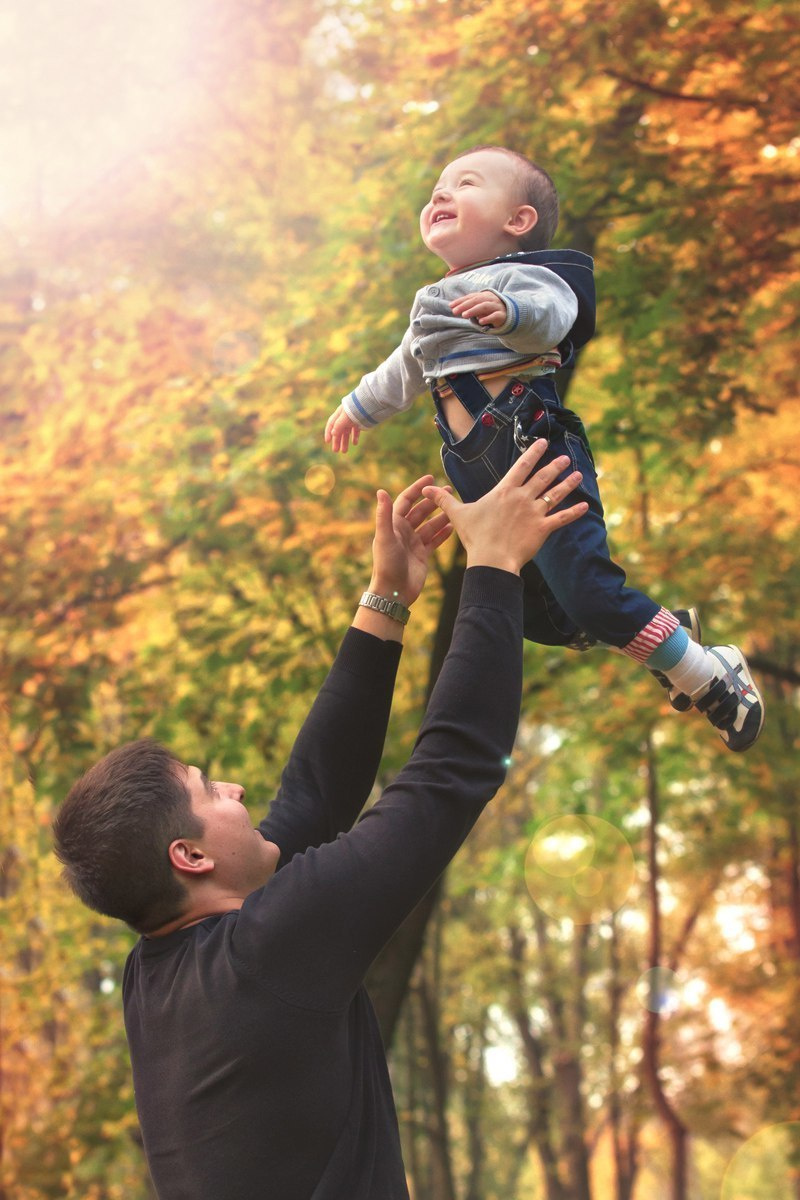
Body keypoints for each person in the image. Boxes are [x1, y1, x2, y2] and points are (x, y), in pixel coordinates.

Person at [53, 441, 587, 1200]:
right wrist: (493, 565)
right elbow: (449, 776)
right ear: (190, 858)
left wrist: (388, 598)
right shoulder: (268, 950)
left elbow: (309, 804)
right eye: (211, 792)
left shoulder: (160, 974)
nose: (236, 790)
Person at [324, 144, 764, 753]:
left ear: (518, 221)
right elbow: (402, 368)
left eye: (465, 183)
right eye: (437, 189)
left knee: (585, 591)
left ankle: (710, 674)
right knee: (536, 611)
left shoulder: (522, 276)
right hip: (482, 475)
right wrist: (356, 406)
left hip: (535, 450)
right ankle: (652, 628)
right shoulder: (431, 302)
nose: (440, 195)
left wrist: (509, 312)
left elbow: (555, 313)